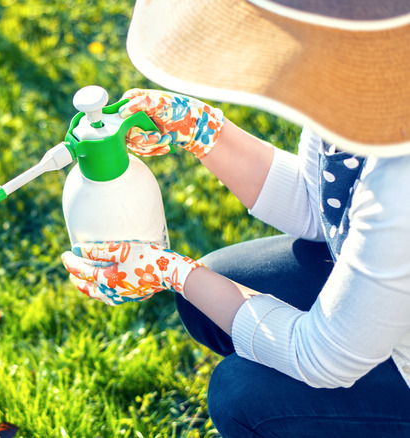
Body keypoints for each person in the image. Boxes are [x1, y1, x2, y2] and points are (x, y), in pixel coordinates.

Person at [61, 0, 410, 436]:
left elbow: (324, 357)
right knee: (219, 283)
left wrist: (172, 270)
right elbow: (321, 206)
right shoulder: (366, 87)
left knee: (241, 394)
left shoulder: (401, 178)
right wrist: (201, 129)